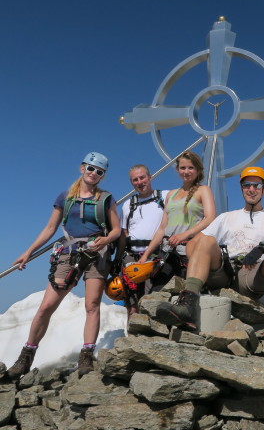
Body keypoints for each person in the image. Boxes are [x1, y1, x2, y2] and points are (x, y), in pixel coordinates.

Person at [155, 166, 264, 340]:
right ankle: (187, 305)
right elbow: (195, 246)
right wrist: (199, 252)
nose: (251, 189)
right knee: (205, 240)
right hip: (224, 271)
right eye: (246, 185)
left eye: (257, 185)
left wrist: (262, 249)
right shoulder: (226, 217)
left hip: (251, 275)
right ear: (241, 188)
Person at [8, 152, 120, 378]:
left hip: (96, 254)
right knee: (46, 306)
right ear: (82, 168)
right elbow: (50, 228)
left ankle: (86, 356)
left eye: (99, 172)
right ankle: (26, 356)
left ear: (103, 176)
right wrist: (28, 253)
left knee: (92, 305)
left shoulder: (106, 199)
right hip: (69, 253)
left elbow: (116, 229)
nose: (94, 174)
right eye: (91, 169)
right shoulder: (65, 197)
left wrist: (106, 240)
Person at [137, 151, 215, 282]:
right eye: (183, 168)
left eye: (191, 168)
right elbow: (162, 229)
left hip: (188, 252)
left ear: (198, 170)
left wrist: (184, 235)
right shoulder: (170, 194)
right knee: (158, 293)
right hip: (166, 253)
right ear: (178, 170)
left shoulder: (203, 190)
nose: (186, 171)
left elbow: (210, 218)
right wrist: (146, 255)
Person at [114, 164, 168, 317]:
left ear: (150, 177)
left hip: (155, 256)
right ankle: (131, 338)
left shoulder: (165, 197)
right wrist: (117, 259)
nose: (140, 182)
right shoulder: (128, 205)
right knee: (131, 303)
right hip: (131, 257)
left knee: (151, 300)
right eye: (135, 180)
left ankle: (148, 338)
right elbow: (124, 233)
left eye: (142, 177)